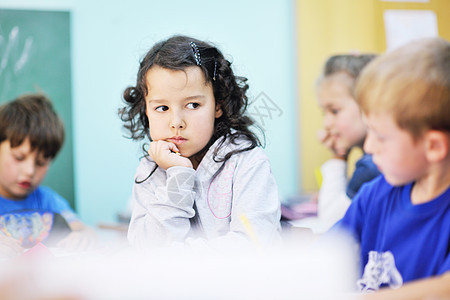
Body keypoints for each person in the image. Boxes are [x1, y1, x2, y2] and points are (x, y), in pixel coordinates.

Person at [120, 35, 281, 251]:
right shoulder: (150, 169)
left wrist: (178, 257)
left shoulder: (247, 162)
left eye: (193, 105)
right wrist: (178, 174)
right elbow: (148, 250)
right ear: (146, 110)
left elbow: (251, 247)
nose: (176, 122)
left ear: (218, 105)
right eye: (162, 108)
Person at [334, 37, 450, 298]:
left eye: (381, 136)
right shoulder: (374, 195)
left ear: (433, 146)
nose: (370, 147)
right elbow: (328, 255)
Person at [286, 54, 380, 233]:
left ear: (369, 103)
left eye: (335, 111)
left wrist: (338, 155)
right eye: (324, 113)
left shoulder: (371, 166)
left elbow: (334, 224)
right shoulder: (369, 160)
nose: (326, 124)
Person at [0, 93, 96, 258]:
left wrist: (82, 237)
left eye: (41, 163)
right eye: (19, 157)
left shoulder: (48, 201)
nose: (29, 171)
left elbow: (85, 231)